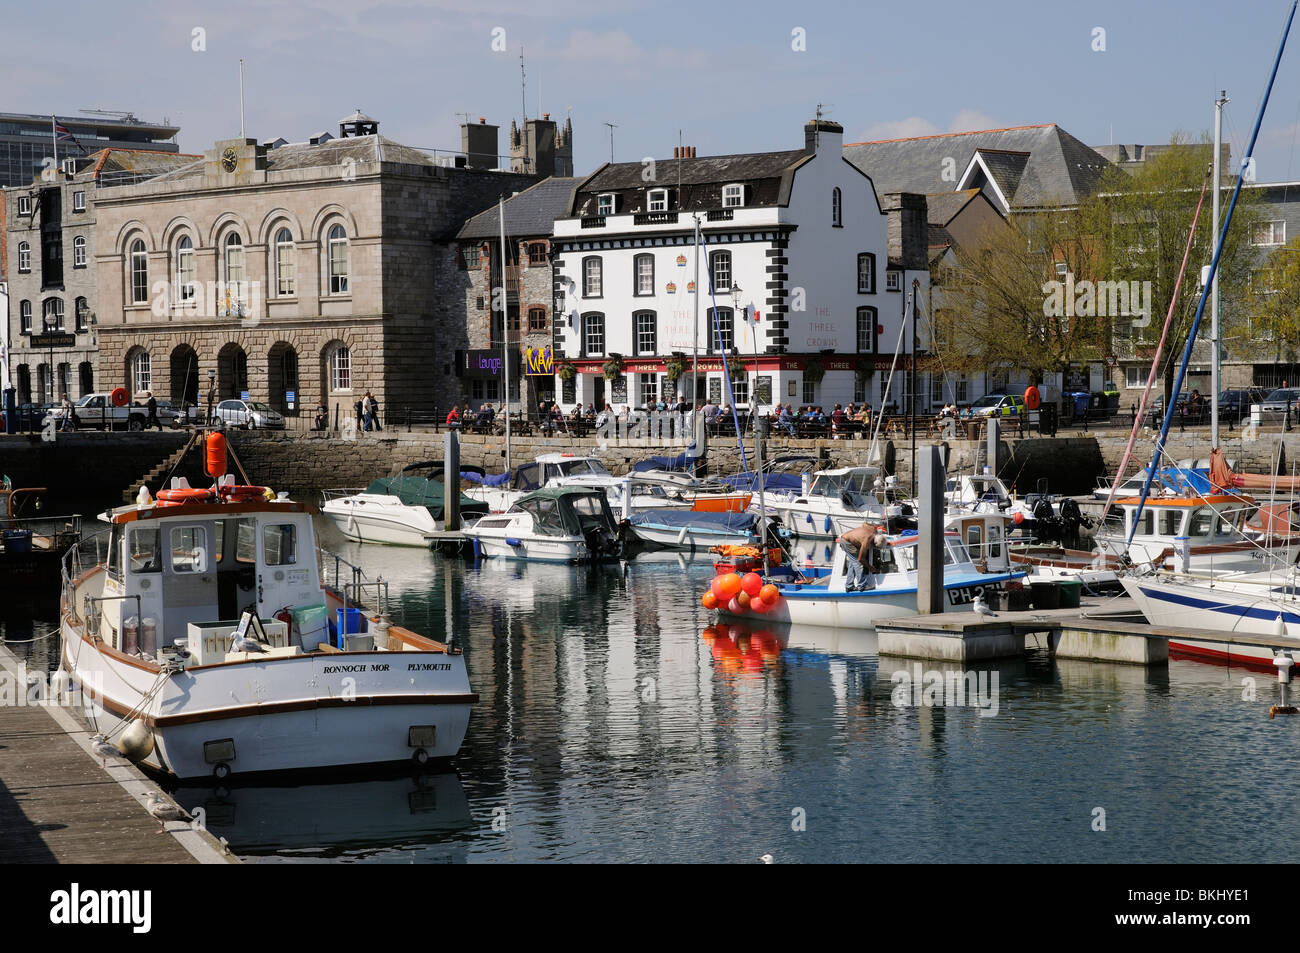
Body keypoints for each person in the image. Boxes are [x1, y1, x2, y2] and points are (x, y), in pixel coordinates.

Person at [839, 521, 880, 591]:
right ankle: (862, 586)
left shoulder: (873, 531)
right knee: (858, 564)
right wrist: (870, 567)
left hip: (845, 539)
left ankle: (849, 586)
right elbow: (861, 559)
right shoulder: (867, 540)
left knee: (853, 563)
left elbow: (864, 523)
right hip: (847, 542)